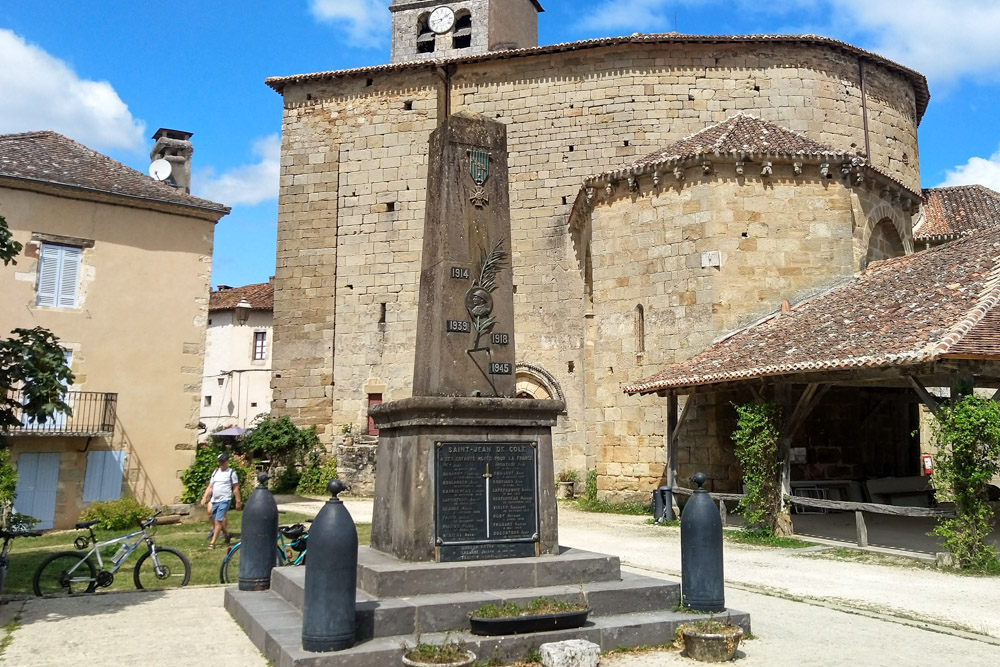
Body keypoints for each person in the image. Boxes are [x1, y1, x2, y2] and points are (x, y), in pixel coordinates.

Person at [201, 453, 241, 549]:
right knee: (215, 520)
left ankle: (212, 543)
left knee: (218, 521)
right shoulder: (215, 472)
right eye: (220, 461)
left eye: (223, 461)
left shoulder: (231, 473)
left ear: (227, 461)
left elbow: (235, 488)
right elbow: (211, 486)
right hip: (215, 499)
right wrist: (205, 496)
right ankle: (227, 534)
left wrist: (238, 501)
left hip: (225, 499)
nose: (221, 463)